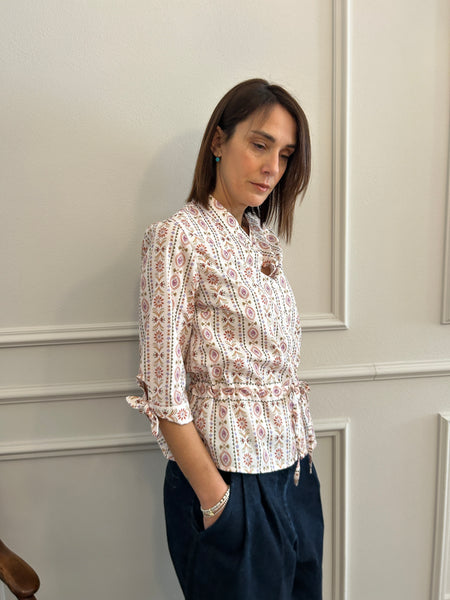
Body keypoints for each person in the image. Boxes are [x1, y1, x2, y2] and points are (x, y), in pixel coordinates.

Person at [127, 78, 323, 600]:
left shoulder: (260, 240)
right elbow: (164, 390)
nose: (272, 168)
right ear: (219, 141)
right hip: (232, 484)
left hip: (294, 476)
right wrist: (218, 502)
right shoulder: (177, 237)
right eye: (259, 144)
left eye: (285, 155)